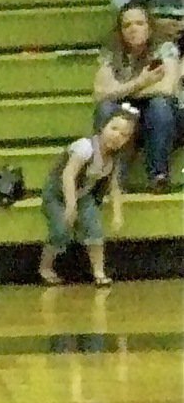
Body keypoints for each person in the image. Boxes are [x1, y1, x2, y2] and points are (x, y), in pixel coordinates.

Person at [38, 106, 139, 287]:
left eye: (124, 135)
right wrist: (70, 205)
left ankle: (99, 272)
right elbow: (68, 175)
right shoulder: (85, 147)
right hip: (58, 194)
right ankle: (45, 267)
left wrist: (118, 214)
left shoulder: (115, 158)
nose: (117, 136)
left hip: (83, 195)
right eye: (114, 129)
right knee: (61, 229)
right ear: (102, 127)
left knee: (94, 227)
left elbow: (114, 187)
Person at [93, 2, 179, 192]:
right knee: (106, 109)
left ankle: (158, 175)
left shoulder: (164, 48)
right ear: (121, 31)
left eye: (139, 23)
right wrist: (142, 82)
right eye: (127, 25)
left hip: (163, 119)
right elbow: (100, 93)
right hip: (128, 117)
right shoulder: (112, 53)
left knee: (160, 106)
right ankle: (111, 176)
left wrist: (123, 90)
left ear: (149, 28)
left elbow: (167, 88)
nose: (133, 29)